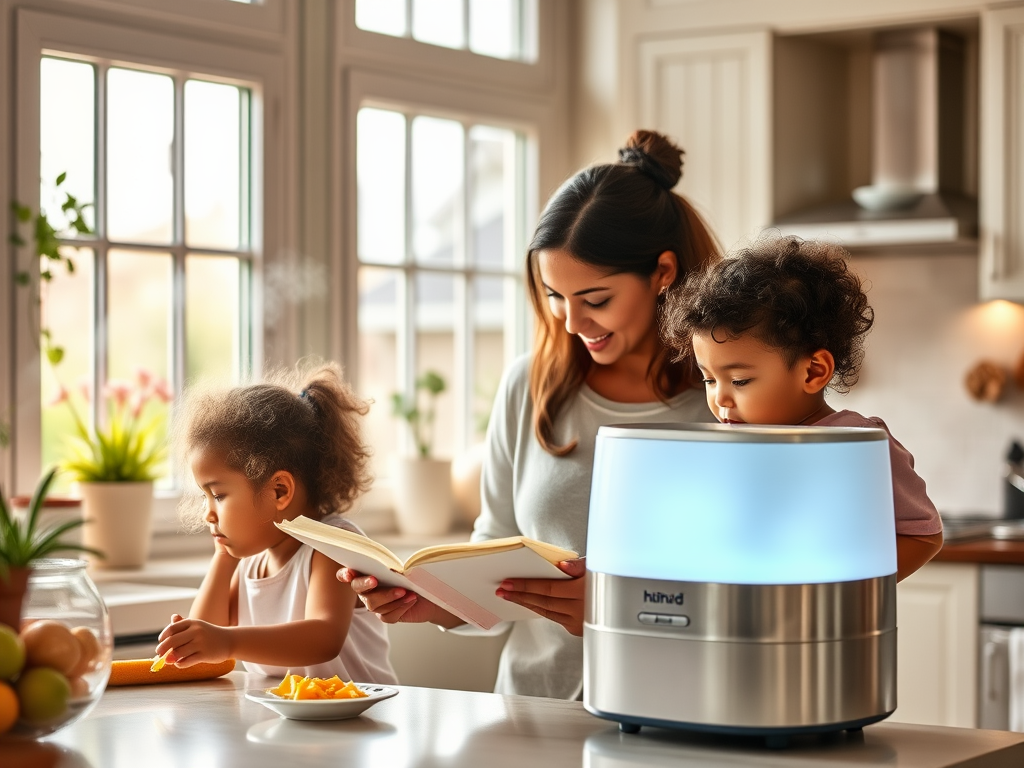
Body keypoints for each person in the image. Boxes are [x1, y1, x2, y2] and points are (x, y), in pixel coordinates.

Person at [340, 130, 722, 699]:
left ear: (663, 272)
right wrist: (437, 602)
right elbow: (495, 551)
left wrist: (624, 607)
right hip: (533, 711)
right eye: (554, 297)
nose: (571, 323)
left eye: (595, 300)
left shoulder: (729, 403)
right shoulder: (531, 385)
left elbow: (762, 590)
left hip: (683, 711)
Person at [660, 232, 943, 581]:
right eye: (709, 379)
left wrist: (848, 587)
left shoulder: (857, 443)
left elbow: (923, 533)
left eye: (740, 381)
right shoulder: (734, 448)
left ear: (813, 371)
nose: (720, 399)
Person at [155, 363, 398, 683]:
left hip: (360, 722)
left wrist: (227, 641)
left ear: (278, 491)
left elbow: (323, 639)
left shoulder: (332, 545)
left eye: (218, 496)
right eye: (204, 497)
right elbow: (203, 651)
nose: (207, 514)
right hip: (291, 724)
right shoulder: (250, 561)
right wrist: (223, 559)